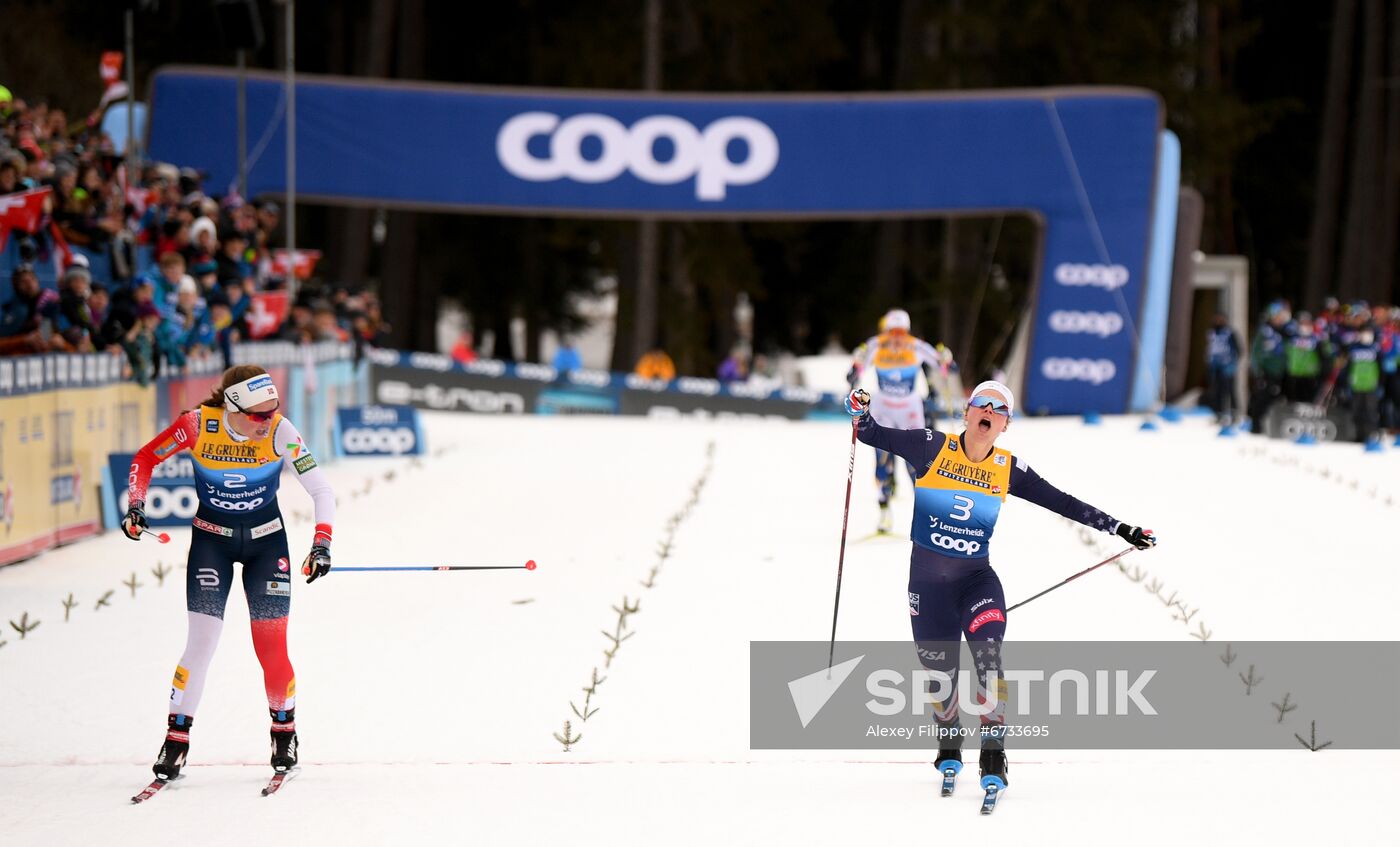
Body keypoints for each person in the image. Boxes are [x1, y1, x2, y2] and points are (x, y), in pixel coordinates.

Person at [843, 381, 1156, 796]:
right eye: (981, 404)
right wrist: (860, 411)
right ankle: (949, 741)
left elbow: (1061, 501)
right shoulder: (930, 446)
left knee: (989, 660)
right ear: (968, 413)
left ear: (1005, 424)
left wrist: (1120, 527)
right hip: (927, 588)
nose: (989, 411)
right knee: (940, 677)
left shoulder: (1008, 468)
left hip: (977, 583)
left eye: (1000, 409)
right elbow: (871, 433)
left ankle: (994, 751)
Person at [122, 365, 336, 784]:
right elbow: (145, 457)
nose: (267, 420)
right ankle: (176, 740)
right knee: (200, 645)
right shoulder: (198, 425)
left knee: (271, 646)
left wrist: (322, 542)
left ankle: (284, 733)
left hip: (266, 544)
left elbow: (321, 489)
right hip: (211, 543)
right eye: (258, 414)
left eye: (273, 410)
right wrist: (136, 503)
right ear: (233, 407)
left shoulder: (280, 431)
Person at [847, 308, 956, 533]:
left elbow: (946, 366)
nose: (896, 338)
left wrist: (946, 358)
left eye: (900, 332)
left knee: (916, 462)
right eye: (891, 332)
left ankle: (925, 516)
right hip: (883, 408)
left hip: (910, 410)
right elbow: (854, 373)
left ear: (906, 332)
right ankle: (884, 512)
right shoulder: (875, 345)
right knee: (882, 461)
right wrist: (855, 367)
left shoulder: (916, 346)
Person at [1204, 312, 1240, 424]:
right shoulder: (1212, 333)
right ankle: (1218, 414)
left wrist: (1231, 363)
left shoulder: (1230, 333)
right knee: (1217, 392)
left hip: (1227, 367)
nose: (1218, 321)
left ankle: (1234, 414)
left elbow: (1239, 350)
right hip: (1215, 368)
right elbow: (1209, 349)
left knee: (1229, 391)